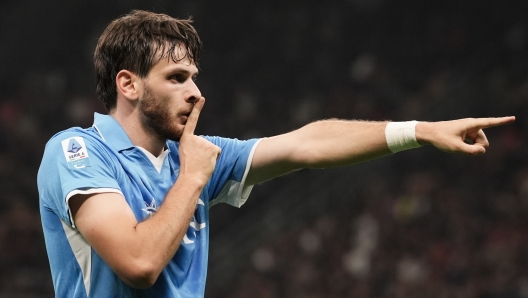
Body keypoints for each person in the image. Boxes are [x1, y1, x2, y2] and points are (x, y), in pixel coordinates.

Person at [37, 9, 515, 298]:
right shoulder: (76, 151)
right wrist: (193, 179)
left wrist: (419, 129)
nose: (196, 93)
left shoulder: (198, 154)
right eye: (177, 78)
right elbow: (139, 265)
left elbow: (306, 143)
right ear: (129, 84)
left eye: (195, 77)